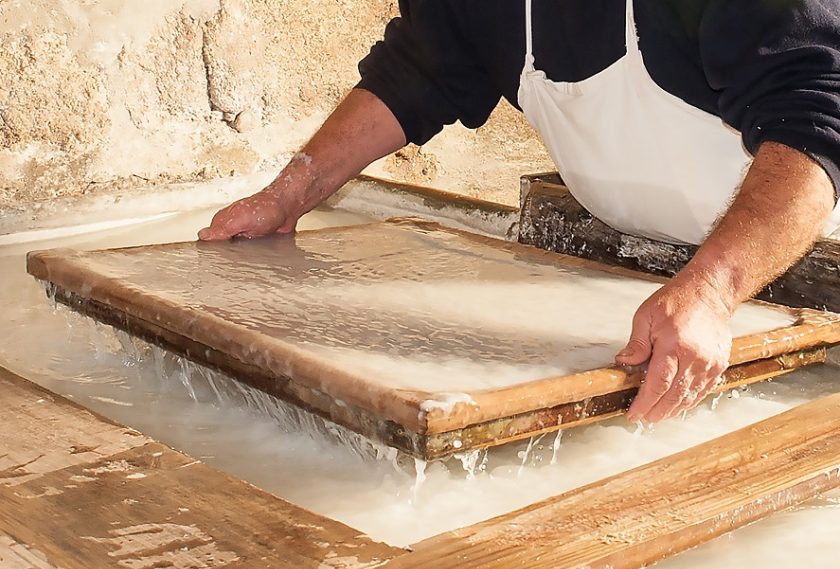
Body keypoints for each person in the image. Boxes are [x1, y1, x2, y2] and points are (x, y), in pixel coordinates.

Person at [199, 0, 840, 423]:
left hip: (807, 246)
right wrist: (288, 194)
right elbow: (413, 74)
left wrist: (712, 289)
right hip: (640, 265)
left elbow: (818, 117)